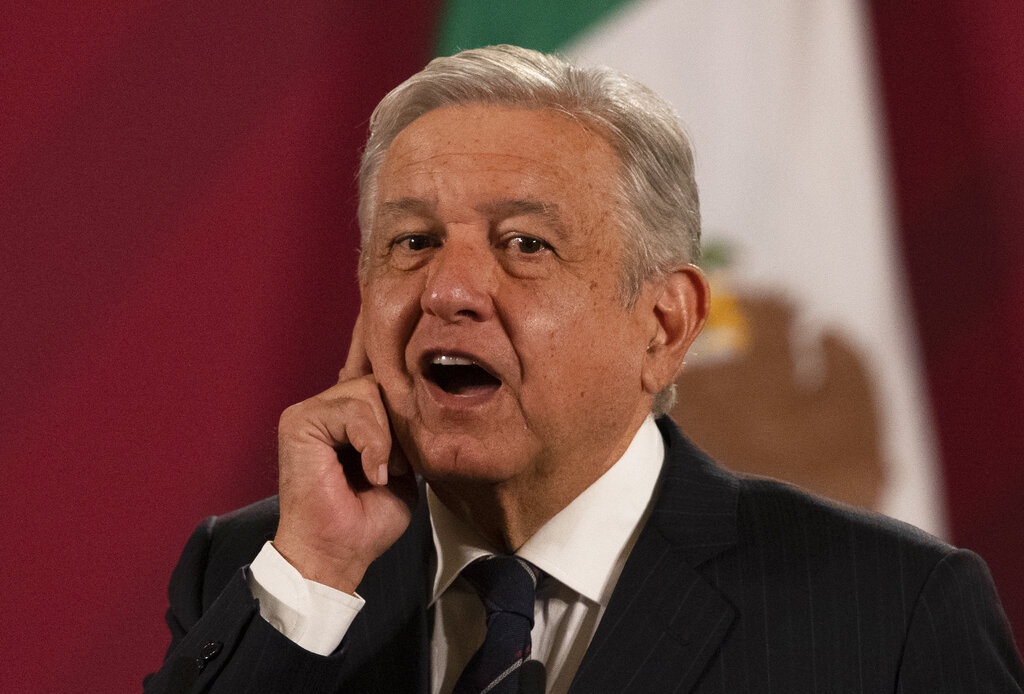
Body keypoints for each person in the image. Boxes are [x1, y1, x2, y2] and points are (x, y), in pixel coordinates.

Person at [144, 45, 1023, 694]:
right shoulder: (261, 572)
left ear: (664, 323)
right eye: (411, 243)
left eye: (525, 245)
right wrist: (312, 578)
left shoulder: (889, 614)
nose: (447, 290)